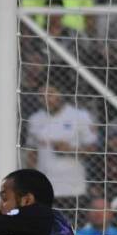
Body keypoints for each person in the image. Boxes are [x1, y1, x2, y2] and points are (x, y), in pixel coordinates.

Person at [25, 83, 96, 211]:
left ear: (61, 93)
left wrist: (70, 150)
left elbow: (94, 150)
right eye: (41, 96)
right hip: (45, 188)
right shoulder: (34, 119)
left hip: (73, 187)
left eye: (51, 93)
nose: (47, 99)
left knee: (72, 228)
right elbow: (32, 152)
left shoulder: (80, 116)